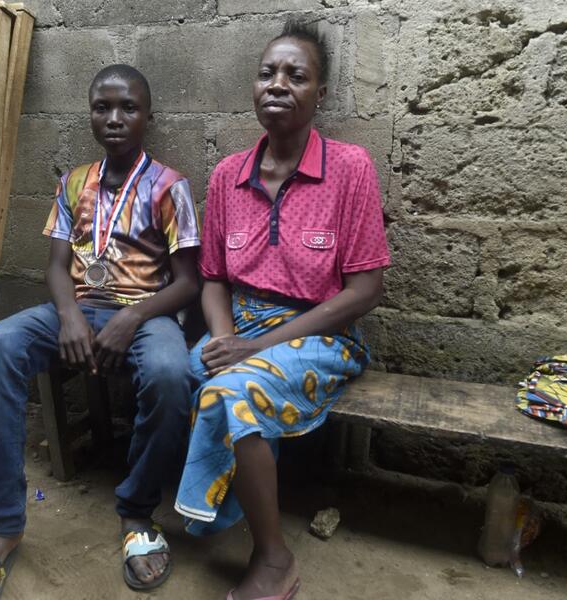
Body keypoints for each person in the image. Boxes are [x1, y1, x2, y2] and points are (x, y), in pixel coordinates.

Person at [0, 64, 201, 599]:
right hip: (81, 307)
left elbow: (189, 284)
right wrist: (66, 316)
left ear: (147, 117)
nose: (114, 118)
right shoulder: (74, 182)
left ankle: (136, 515)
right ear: (89, 115)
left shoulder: (170, 187)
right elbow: (58, 267)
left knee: (170, 372)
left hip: (147, 314)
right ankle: (3, 526)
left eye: (128, 108)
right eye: (101, 107)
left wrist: (133, 317)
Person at [174, 21, 391, 600]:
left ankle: (273, 559)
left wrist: (250, 352)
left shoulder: (349, 169)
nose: (278, 84)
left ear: (320, 94)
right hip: (242, 323)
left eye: (297, 76)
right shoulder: (228, 176)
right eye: (268, 73)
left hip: (322, 333)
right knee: (191, 369)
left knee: (234, 391)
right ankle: (238, 506)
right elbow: (214, 279)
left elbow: (364, 290)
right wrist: (224, 340)